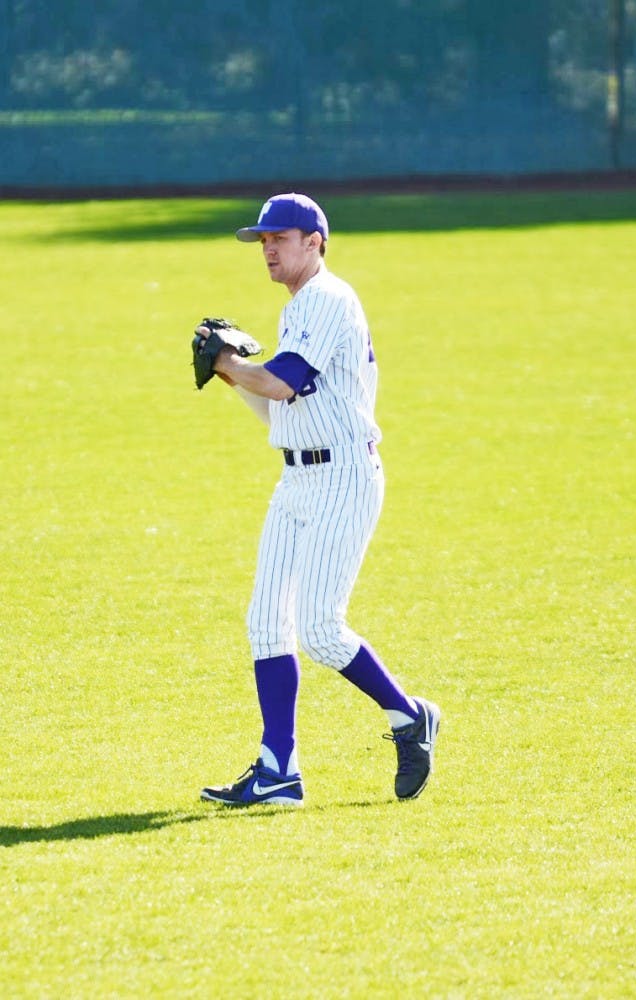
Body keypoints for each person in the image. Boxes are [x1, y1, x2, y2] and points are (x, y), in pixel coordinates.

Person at [199, 192, 439, 808]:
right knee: (264, 623)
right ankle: (279, 770)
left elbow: (280, 381)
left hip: (343, 479)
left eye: (280, 237)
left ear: (316, 242)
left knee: (321, 629)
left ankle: (410, 718)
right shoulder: (300, 308)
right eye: (263, 240)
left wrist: (231, 360)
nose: (269, 248)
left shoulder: (329, 299)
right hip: (297, 482)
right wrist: (233, 374)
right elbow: (274, 403)